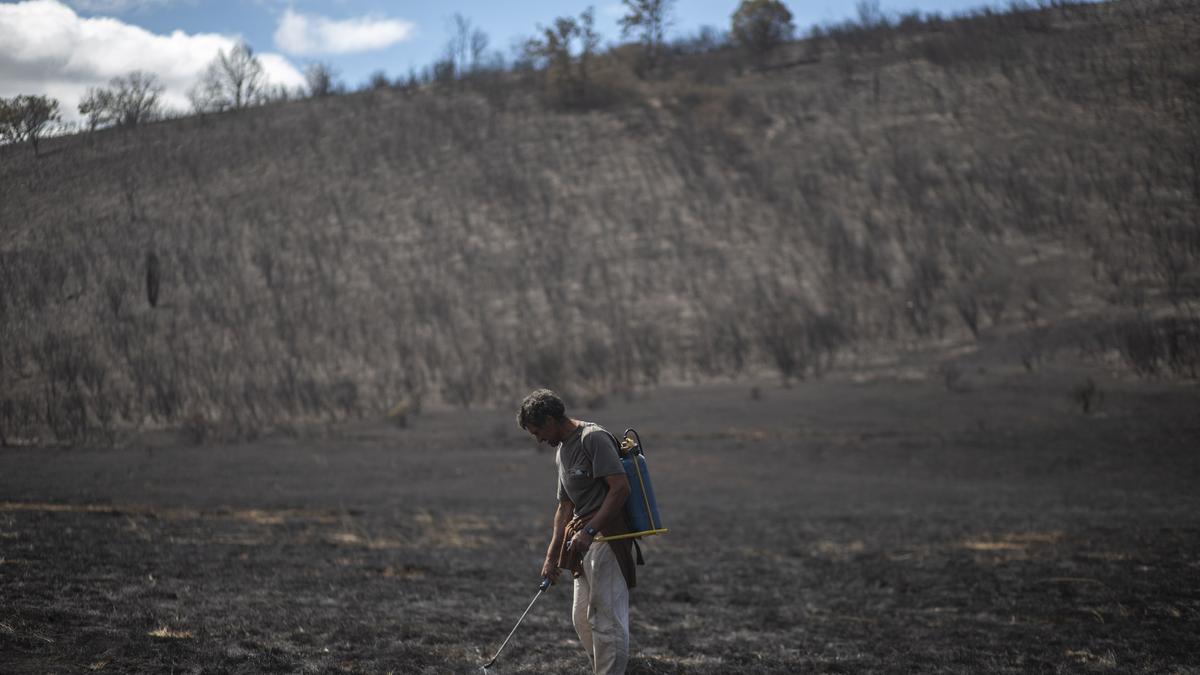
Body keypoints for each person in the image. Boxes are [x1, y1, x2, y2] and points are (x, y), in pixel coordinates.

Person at [518, 388, 636, 675]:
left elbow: (620, 489)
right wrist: (551, 557)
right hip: (582, 539)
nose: (539, 439)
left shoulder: (592, 439)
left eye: (538, 432)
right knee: (581, 618)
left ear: (550, 420)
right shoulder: (562, 451)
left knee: (605, 619)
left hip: (609, 535)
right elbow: (564, 507)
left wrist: (591, 530)